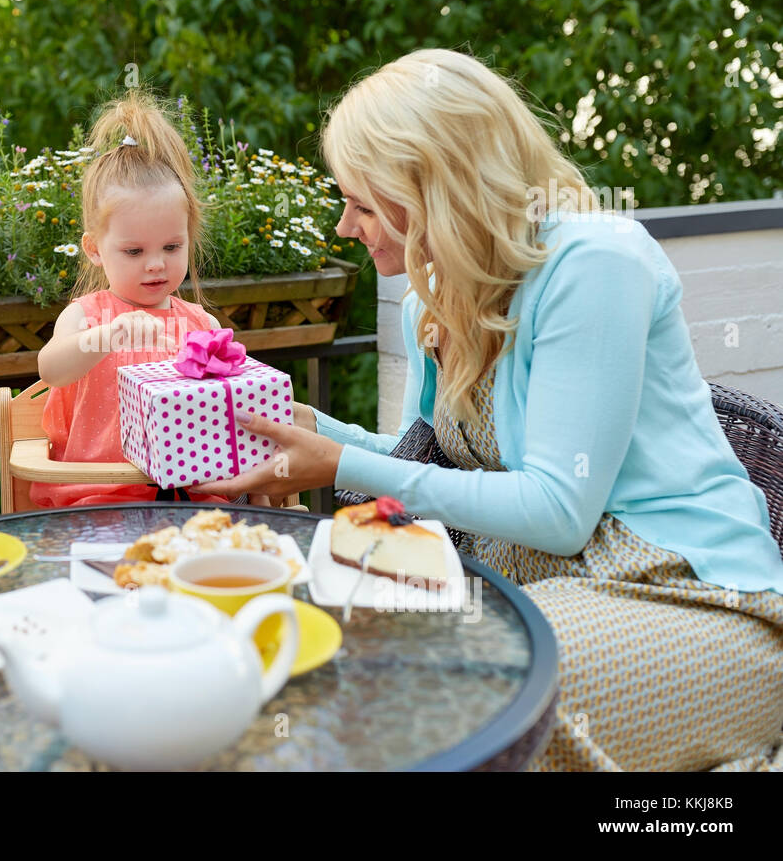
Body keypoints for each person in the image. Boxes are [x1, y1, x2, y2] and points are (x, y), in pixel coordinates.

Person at [197, 48, 783, 771]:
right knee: (319, 651)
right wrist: (310, 430)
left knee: (470, 696)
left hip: (693, 599)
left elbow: (559, 510)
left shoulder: (593, 265)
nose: (346, 224)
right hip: (539, 589)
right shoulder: (436, 302)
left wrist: (340, 463)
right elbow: (427, 459)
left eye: (363, 200)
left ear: (435, 185)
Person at [30, 91, 239, 508]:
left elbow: (229, 413)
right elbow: (50, 370)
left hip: (191, 494)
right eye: (134, 252)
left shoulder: (202, 325)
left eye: (172, 247)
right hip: (97, 496)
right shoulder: (87, 317)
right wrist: (106, 338)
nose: (156, 265)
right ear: (94, 249)